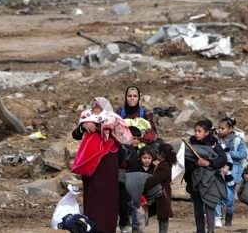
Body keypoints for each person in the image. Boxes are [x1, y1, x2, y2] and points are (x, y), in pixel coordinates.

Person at [71, 96, 132, 233]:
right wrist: (83, 126)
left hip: (107, 160)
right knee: (92, 193)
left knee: (107, 193)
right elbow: (75, 134)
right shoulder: (86, 117)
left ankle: (106, 227)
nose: (94, 106)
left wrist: (101, 127)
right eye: (93, 104)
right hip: (89, 162)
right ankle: (90, 225)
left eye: (97, 105)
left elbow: (124, 137)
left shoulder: (113, 118)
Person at [184, 119, 228, 233]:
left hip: (209, 180)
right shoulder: (191, 143)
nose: (196, 133)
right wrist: (195, 163)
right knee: (198, 208)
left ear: (207, 132)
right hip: (194, 180)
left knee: (210, 205)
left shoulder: (213, 143)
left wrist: (209, 163)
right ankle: (200, 230)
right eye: (195, 131)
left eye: (199, 131)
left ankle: (211, 230)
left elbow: (222, 158)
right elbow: (186, 160)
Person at [215, 117, 248, 227]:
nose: (220, 130)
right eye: (219, 128)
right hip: (219, 171)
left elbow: (243, 154)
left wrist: (229, 154)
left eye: (222, 128)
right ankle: (218, 217)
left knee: (230, 197)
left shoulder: (237, 140)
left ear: (230, 129)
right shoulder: (217, 139)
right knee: (218, 194)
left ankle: (229, 214)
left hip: (233, 173)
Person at [144, 143, 175, 233]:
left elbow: (156, 179)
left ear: (162, 154)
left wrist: (145, 184)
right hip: (161, 192)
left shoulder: (165, 166)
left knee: (163, 216)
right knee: (161, 216)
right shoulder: (164, 164)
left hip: (163, 193)